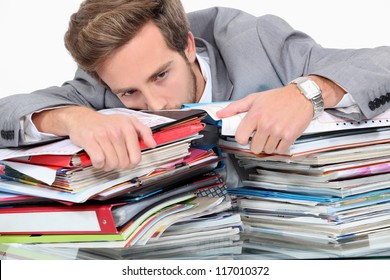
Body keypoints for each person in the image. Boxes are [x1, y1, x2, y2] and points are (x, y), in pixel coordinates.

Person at [1, 0, 390, 174]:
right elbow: (11, 109)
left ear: (188, 45)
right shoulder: (101, 80)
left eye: (160, 75)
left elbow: (381, 61)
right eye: (128, 93)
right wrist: (72, 117)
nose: (155, 104)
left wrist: (309, 91)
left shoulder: (256, 40)